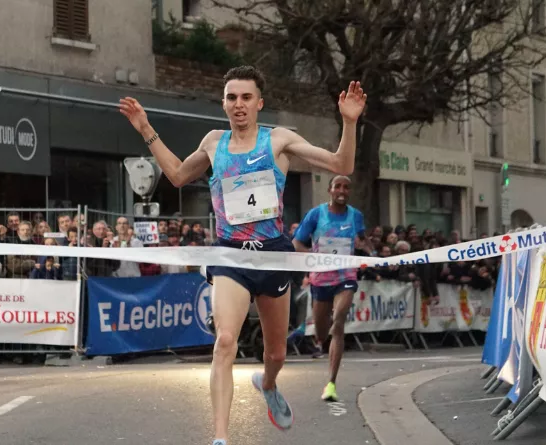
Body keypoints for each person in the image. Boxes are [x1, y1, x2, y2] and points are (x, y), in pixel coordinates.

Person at [119, 66, 366, 445]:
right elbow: (178, 175)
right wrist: (145, 129)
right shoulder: (214, 142)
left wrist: (349, 122)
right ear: (223, 103)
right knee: (224, 341)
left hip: (272, 255)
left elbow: (341, 165)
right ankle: (220, 438)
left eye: (246, 97)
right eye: (232, 97)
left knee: (276, 353)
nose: (239, 104)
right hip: (230, 255)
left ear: (259, 103)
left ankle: (268, 384)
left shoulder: (278, 140)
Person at [291, 175, 365, 402]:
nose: (342, 190)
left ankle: (331, 383)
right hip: (321, 279)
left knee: (339, 322)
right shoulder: (316, 214)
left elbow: (362, 240)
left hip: (346, 276)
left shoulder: (356, 216)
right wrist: (313, 256)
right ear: (330, 190)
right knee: (322, 333)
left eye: (346, 187)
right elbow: (296, 243)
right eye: (338, 186)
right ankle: (323, 336)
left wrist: (371, 254)